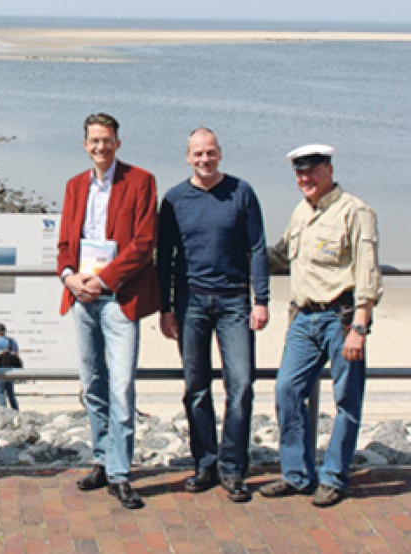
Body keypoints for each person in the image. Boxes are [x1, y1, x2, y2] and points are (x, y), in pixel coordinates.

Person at [261, 144, 382, 508]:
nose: (305, 179)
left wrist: (359, 327)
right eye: (299, 173)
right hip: (303, 319)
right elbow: (281, 256)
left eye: (311, 171)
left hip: (342, 318)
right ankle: (297, 475)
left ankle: (333, 476)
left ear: (329, 168)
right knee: (287, 391)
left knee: (346, 399)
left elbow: (367, 273)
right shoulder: (301, 211)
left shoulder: (356, 212)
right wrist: (236, 256)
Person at [156, 128, 269, 503]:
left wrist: (261, 299)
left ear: (220, 153)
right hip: (191, 305)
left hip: (235, 302)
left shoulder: (241, 192)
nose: (204, 160)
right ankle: (205, 463)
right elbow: (165, 259)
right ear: (187, 157)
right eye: (198, 154)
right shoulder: (174, 199)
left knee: (241, 386)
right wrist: (166, 308)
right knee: (196, 388)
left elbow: (257, 247)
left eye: (210, 153)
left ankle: (234, 468)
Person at [56, 113, 159, 509]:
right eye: (94, 141)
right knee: (93, 384)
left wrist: (104, 279)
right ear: (85, 145)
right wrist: (69, 277)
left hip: (119, 300)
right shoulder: (74, 186)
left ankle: (120, 472)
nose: (101, 147)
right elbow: (66, 241)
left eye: (107, 140)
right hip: (82, 297)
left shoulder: (141, 181)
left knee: (121, 387)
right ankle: (101, 458)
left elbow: (143, 242)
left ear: (118, 142)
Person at [0, 323, 20, 411]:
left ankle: (3, 413)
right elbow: (17, 355)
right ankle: (16, 413)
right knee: (11, 394)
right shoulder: (12, 341)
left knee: (1, 394)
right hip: (10, 371)